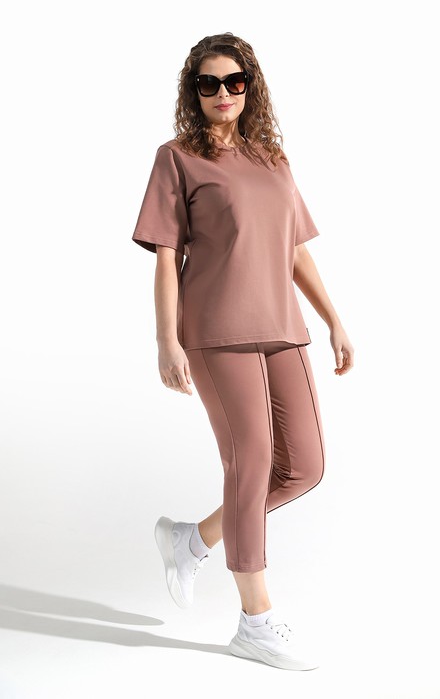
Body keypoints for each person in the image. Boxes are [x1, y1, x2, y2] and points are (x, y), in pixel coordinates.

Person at [131, 33, 354, 671]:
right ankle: (255, 622)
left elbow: (294, 248)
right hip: (214, 329)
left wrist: (334, 319)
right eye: (209, 83)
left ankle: (193, 540)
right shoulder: (177, 158)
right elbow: (166, 258)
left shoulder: (271, 159)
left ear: (250, 86)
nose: (223, 93)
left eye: (235, 81)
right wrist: (166, 340)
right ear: (193, 92)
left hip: (282, 326)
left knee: (303, 467)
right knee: (250, 461)